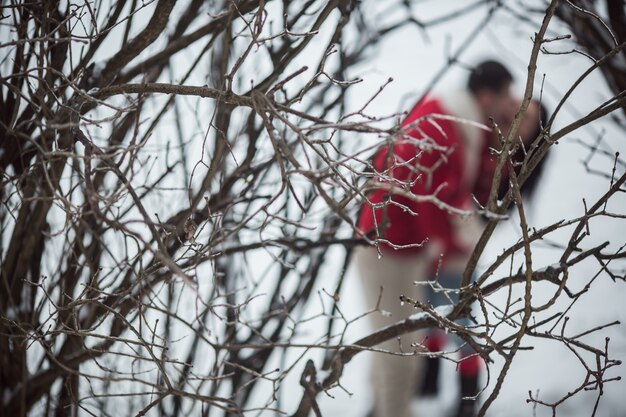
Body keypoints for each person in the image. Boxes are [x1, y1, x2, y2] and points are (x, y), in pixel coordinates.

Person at [354, 60, 517, 417]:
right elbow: (436, 201)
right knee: (401, 356)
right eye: (508, 96)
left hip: (397, 244)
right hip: (389, 246)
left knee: (394, 346)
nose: (511, 105)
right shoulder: (448, 128)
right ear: (487, 96)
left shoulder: (450, 117)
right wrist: (460, 243)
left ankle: (382, 410)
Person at [417, 98, 551, 417]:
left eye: (526, 115)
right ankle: (429, 378)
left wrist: (462, 225)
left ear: (533, 132)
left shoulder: (512, 162)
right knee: (431, 303)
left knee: (460, 315)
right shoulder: (489, 134)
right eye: (518, 104)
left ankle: (466, 396)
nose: (515, 113)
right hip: (443, 234)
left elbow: (481, 204)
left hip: (462, 241)